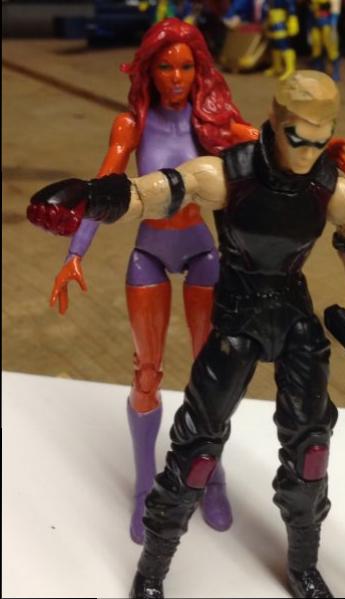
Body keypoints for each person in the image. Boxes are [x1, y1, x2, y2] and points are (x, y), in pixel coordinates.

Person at [28, 70, 345, 598]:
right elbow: (151, 194)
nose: (307, 152)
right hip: (237, 318)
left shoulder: (337, 190)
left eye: (320, 141)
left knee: (310, 452)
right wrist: (92, 196)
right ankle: (152, 572)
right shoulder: (229, 173)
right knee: (196, 451)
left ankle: (303, 568)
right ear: (275, 121)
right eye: (297, 137)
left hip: (293, 316)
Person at [43, 18, 258, 545]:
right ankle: (146, 488)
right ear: (149, 69)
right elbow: (103, 191)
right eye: (166, 66)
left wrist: (321, 154)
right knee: (147, 374)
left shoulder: (215, 121)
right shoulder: (131, 125)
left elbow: (275, 148)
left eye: (186, 66)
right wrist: (75, 254)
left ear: (199, 69)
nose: (177, 77)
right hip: (150, 255)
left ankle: (212, 477)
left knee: (212, 377)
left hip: (202, 252)